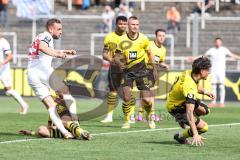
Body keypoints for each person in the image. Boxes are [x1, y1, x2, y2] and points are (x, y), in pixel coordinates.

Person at [27, 18, 78, 139]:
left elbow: (46, 49)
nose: (61, 32)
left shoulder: (41, 36)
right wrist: (58, 54)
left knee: (51, 106)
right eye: (59, 29)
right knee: (66, 92)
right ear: (51, 29)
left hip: (32, 75)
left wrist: (64, 51)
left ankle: (66, 133)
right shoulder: (46, 36)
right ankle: (75, 124)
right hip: (43, 70)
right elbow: (43, 47)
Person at [114, 16, 158, 129]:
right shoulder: (122, 40)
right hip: (127, 71)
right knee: (127, 97)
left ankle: (149, 116)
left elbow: (150, 54)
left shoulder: (143, 38)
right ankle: (127, 121)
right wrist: (119, 63)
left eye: (137, 25)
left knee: (146, 100)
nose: (135, 26)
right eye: (133, 24)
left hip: (142, 70)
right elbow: (116, 56)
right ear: (128, 26)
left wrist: (154, 69)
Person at [167, 57, 214, 146]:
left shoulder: (189, 73)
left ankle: (182, 120)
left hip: (180, 100)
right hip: (176, 108)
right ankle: (181, 136)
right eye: (208, 70)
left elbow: (195, 85)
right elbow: (189, 112)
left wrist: (206, 92)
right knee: (204, 128)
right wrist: (195, 134)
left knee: (206, 110)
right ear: (201, 71)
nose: (209, 72)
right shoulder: (189, 88)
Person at [101, 16, 136, 123]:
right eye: (120, 24)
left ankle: (131, 115)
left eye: (125, 24)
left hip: (128, 68)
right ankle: (109, 116)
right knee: (112, 91)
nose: (123, 26)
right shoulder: (109, 37)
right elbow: (104, 54)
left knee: (128, 91)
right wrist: (111, 60)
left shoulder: (131, 37)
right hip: (114, 68)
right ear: (116, 24)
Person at [19, 93, 91, 140]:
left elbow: (73, 113)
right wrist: (32, 133)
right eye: (56, 97)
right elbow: (49, 125)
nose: (58, 98)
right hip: (60, 130)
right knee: (41, 129)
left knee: (63, 121)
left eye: (60, 97)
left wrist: (64, 101)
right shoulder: (53, 108)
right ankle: (72, 134)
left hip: (72, 125)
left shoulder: (69, 103)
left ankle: (81, 133)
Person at [136, 29, 169, 123]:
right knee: (148, 94)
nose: (161, 37)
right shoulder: (149, 44)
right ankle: (151, 115)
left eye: (163, 36)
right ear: (156, 36)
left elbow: (160, 61)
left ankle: (140, 115)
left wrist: (164, 65)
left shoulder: (163, 49)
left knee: (149, 94)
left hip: (152, 72)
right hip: (143, 70)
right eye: (160, 35)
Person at [205, 38, 240, 107]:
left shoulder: (224, 50)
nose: (218, 43)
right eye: (216, 42)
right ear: (215, 42)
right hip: (213, 71)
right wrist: (194, 58)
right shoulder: (211, 50)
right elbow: (204, 56)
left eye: (219, 42)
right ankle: (213, 102)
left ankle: (222, 102)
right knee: (213, 87)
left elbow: (232, 55)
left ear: (221, 42)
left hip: (221, 71)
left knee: (221, 86)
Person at [0, 30, 29, 114]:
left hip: (3, 70)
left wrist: (2, 63)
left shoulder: (4, 42)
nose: (1, 33)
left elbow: (10, 57)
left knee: (9, 90)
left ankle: (24, 105)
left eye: (1, 31)